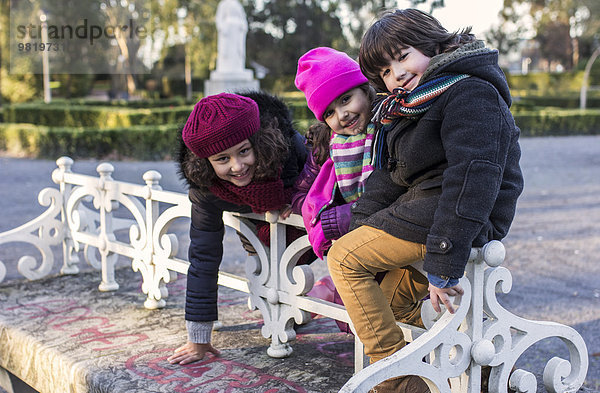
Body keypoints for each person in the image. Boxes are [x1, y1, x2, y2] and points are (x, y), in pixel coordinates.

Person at [326, 8, 524, 392]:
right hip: (428, 208)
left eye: (403, 56)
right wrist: (360, 224)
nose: (396, 74)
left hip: (456, 213)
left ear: (434, 43)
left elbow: (473, 176)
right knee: (390, 300)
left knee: (344, 260)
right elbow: (391, 175)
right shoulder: (415, 102)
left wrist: (444, 257)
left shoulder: (468, 91)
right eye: (384, 71)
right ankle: (483, 369)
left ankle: (395, 381)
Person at [168, 91, 308, 365]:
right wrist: (198, 337)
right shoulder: (206, 188)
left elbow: (328, 178)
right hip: (257, 234)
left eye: (244, 151)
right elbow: (203, 258)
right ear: (205, 161)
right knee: (270, 274)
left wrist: (303, 198)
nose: (237, 165)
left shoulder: (290, 150)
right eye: (222, 159)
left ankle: (321, 297)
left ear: (258, 141)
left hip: (310, 224)